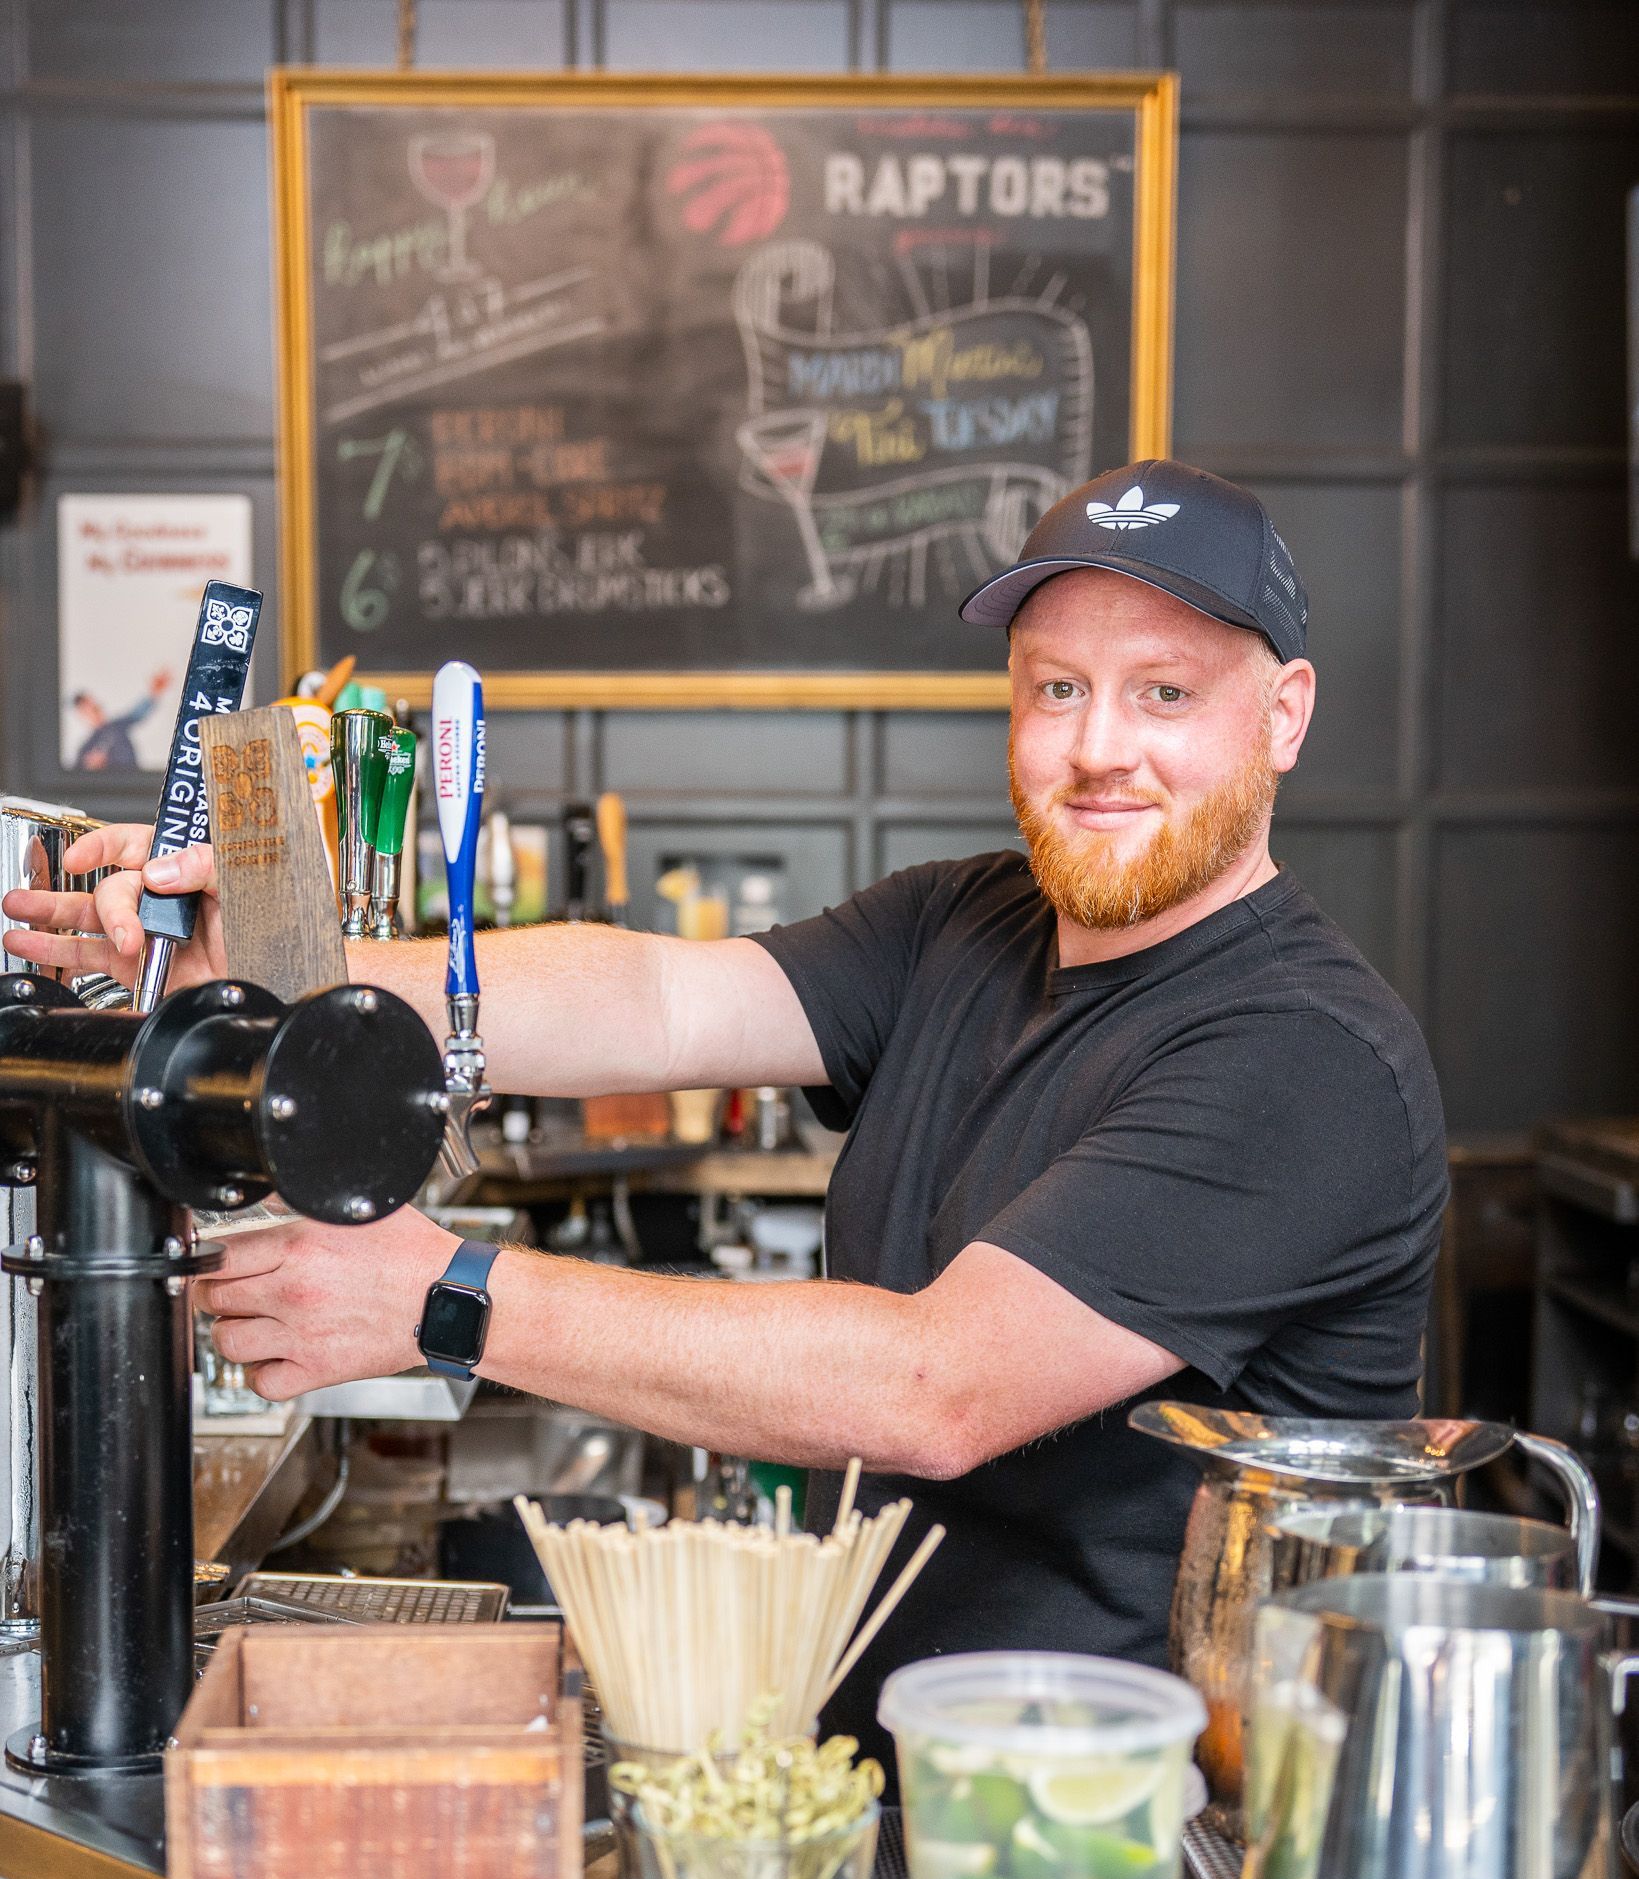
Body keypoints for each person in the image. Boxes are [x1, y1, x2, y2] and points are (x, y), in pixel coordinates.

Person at [4, 461, 1446, 1780]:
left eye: (1166, 696)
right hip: (883, 1781)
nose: (1098, 748)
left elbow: (931, 1389)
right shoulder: (967, 923)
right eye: (1057, 688)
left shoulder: (1304, 1059)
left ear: (1286, 713)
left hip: (1127, 1843)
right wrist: (253, 965)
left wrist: (448, 1296)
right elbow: (652, 1001)